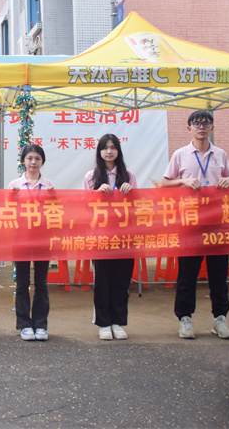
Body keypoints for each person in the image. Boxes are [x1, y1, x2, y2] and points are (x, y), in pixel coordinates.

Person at [160, 110, 229, 340]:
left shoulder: (220, 154)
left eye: (206, 123)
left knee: (218, 273)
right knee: (187, 273)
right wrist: (183, 180)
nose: (201, 127)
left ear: (212, 128)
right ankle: (185, 318)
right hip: (190, 223)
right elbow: (164, 183)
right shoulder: (180, 154)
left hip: (217, 222)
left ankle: (220, 319)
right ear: (189, 128)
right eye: (196, 123)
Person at [84, 134, 138, 341]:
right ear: (99, 151)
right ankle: (104, 323)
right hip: (101, 237)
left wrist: (131, 193)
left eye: (113, 147)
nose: (109, 151)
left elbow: (137, 206)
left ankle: (118, 322)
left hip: (124, 238)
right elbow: (84, 207)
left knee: (121, 281)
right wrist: (96, 193)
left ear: (118, 151)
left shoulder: (128, 175)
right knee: (103, 281)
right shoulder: (91, 176)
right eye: (105, 148)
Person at [9, 144, 55, 342]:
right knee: (22, 284)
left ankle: (40, 324)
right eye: (29, 158)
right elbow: (8, 212)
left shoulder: (49, 185)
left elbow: (55, 212)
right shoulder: (15, 185)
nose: (33, 162)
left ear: (42, 161)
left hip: (43, 239)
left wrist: (53, 197)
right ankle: (24, 324)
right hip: (21, 239)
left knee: (41, 284)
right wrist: (11, 197)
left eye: (37, 158)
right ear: (23, 161)